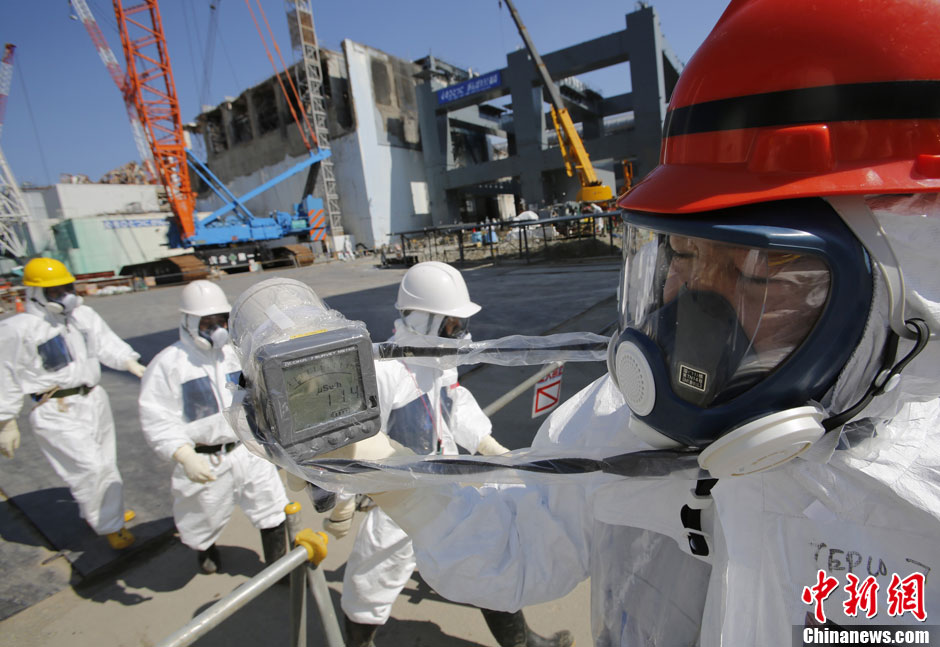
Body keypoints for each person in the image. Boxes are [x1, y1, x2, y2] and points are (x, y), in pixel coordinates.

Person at [303, 1, 940, 644]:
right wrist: (392, 477)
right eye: (683, 254)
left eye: (756, 272)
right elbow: (518, 545)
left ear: (908, 300)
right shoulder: (620, 423)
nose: (693, 304)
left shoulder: (920, 498)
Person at [324, 261, 573, 647]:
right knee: (369, 585)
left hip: (448, 490)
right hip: (397, 503)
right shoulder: (382, 371)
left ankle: (523, 643)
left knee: (486, 567)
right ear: (422, 321)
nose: (460, 334)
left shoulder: (438, 364)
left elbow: (455, 405)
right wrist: (341, 498)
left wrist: (487, 444)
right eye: (452, 326)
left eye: (460, 326)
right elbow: (353, 437)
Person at [138, 280, 290, 574]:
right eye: (206, 322)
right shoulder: (169, 365)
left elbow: (260, 392)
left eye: (220, 320)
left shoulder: (235, 354)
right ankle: (205, 550)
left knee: (272, 508)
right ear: (188, 322)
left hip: (248, 450)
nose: (216, 328)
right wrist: (182, 454)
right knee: (201, 517)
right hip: (205, 458)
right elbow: (156, 417)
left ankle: (278, 568)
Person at [0, 257, 145, 549]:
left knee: (104, 462)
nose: (63, 297)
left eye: (65, 288)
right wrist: (5, 420)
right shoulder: (19, 328)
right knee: (89, 467)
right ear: (35, 294)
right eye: (54, 292)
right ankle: (109, 524)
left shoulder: (83, 316)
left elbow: (106, 344)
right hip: (55, 408)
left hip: (93, 399)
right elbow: (4, 371)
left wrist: (131, 363)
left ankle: (106, 512)